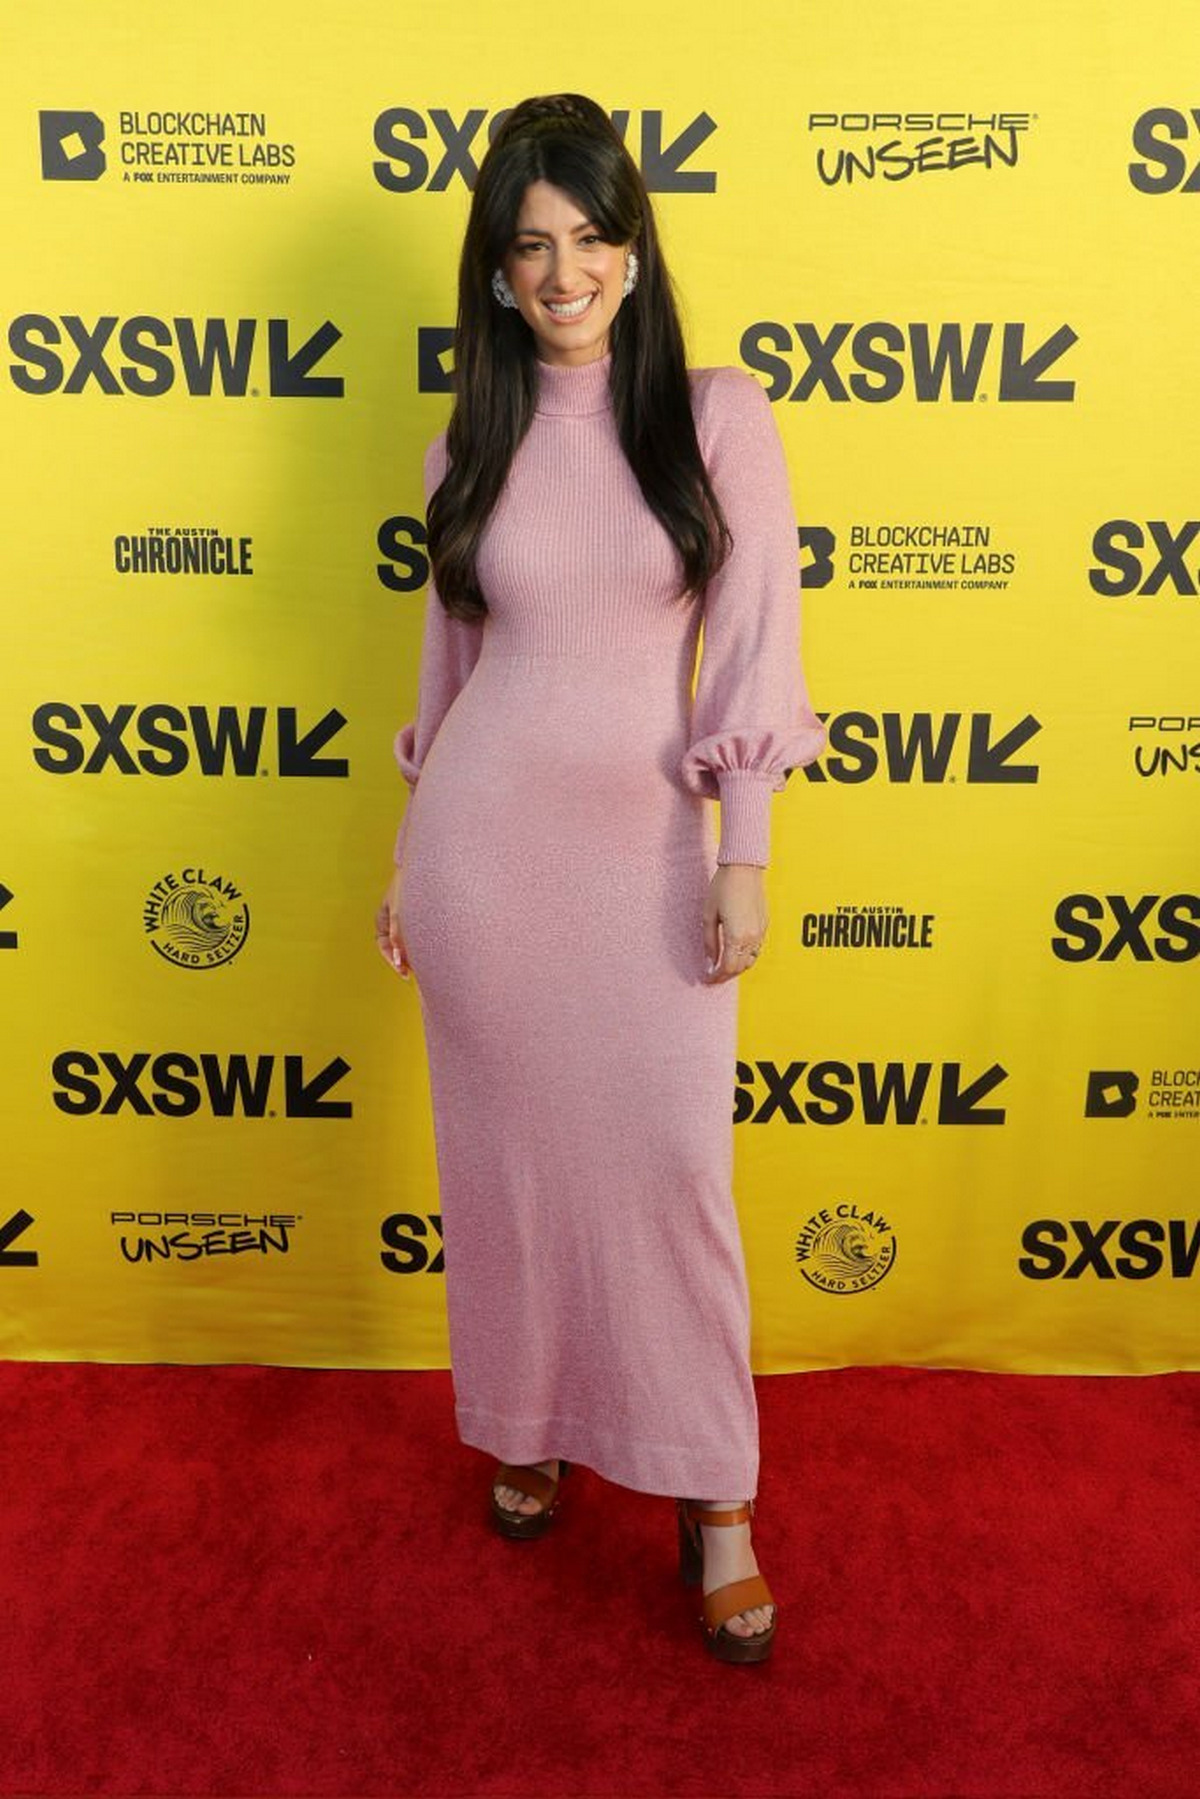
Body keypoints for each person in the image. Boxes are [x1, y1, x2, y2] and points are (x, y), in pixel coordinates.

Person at [375, 92, 827, 1664]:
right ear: (496, 277)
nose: (561, 271)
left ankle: (716, 1500)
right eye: (528, 248)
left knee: (672, 1178)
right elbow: (450, 667)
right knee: (504, 1175)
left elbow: (759, 642)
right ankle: (531, 1416)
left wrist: (747, 853)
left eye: (588, 237)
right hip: (479, 863)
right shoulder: (467, 439)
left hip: (643, 861)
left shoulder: (715, 413)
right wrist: (402, 863)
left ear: (634, 248)